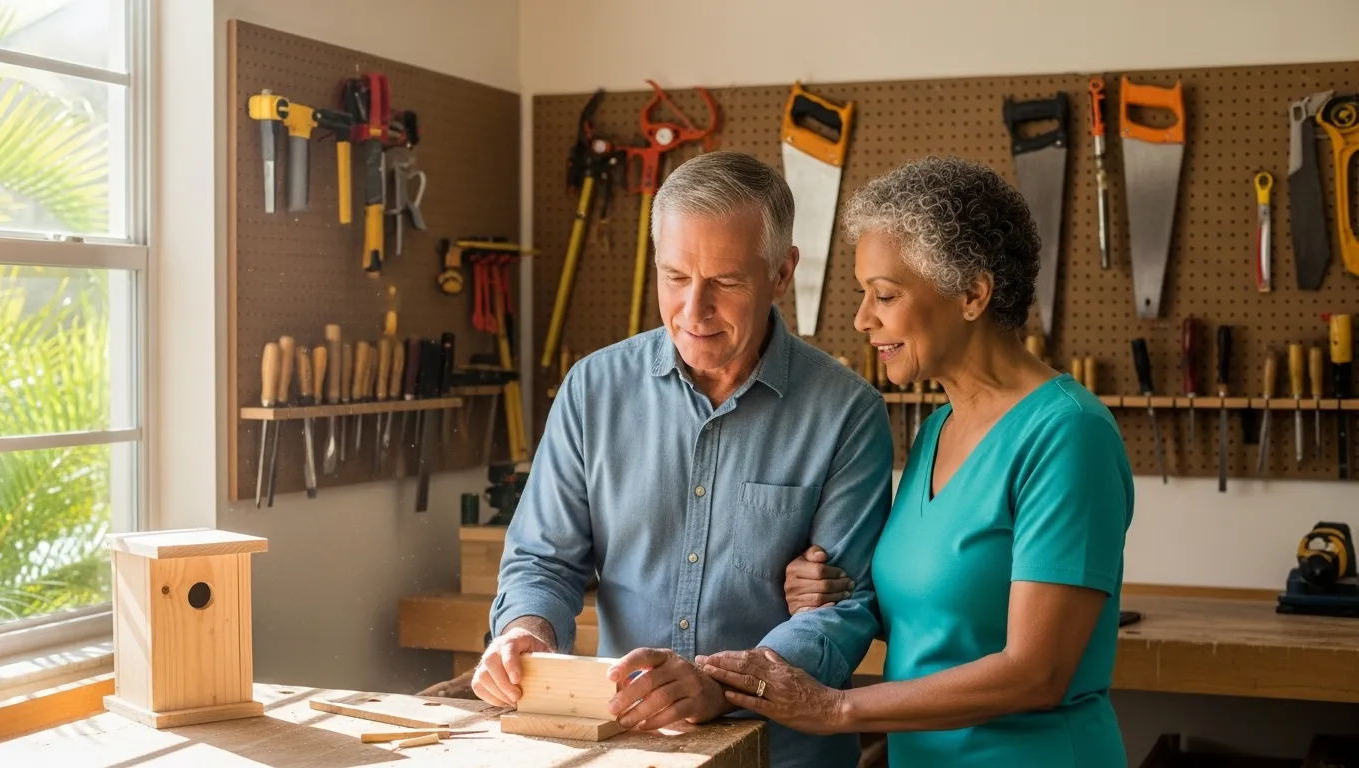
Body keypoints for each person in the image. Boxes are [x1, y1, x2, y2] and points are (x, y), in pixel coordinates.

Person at [699, 156, 1134, 768]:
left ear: (973, 295)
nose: (862, 319)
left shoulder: (1067, 436)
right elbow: (945, 617)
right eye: (862, 294)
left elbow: (1037, 672)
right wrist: (838, 593)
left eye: (886, 295)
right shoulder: (939, 428)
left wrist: (836, 710)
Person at [473, 150, 895, 767]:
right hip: (628, 747)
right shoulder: (593, 389)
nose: (693, 312)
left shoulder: (847, 412)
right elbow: (544, 560)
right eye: (675, 277)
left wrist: (722, 685)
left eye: (724, 282)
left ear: (782, 273)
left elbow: (846, 612)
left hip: (782, 755)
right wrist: (524, 632)